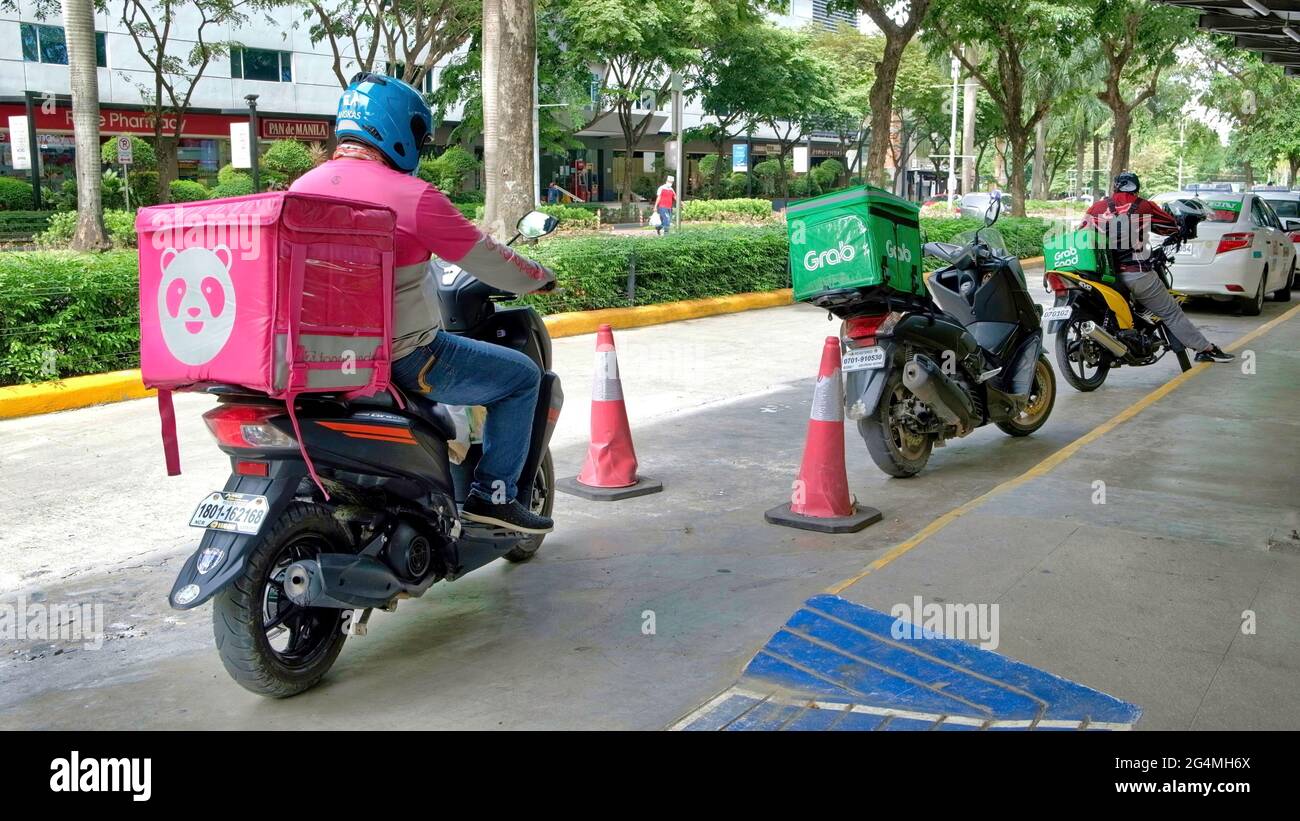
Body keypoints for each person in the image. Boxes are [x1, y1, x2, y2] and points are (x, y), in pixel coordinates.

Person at [291, 73, 558, 533]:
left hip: (314, 359)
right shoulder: (413, 197)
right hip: (403, 358)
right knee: (521, 377)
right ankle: (493, 495)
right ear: (398, 128)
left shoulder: (300, 188)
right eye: (418, 133)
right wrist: (540, 278)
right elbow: (487, 258)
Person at [1081, 171, 1234, 363]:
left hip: (1103, 276)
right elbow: (1170, 226)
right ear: (1137, 189)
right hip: (1136, 273)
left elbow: (1082, 233)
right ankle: (1206, 349)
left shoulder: (1097, 207)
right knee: (1171, 312)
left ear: (1115, 187)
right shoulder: (1143, 206)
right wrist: (1180, 229)